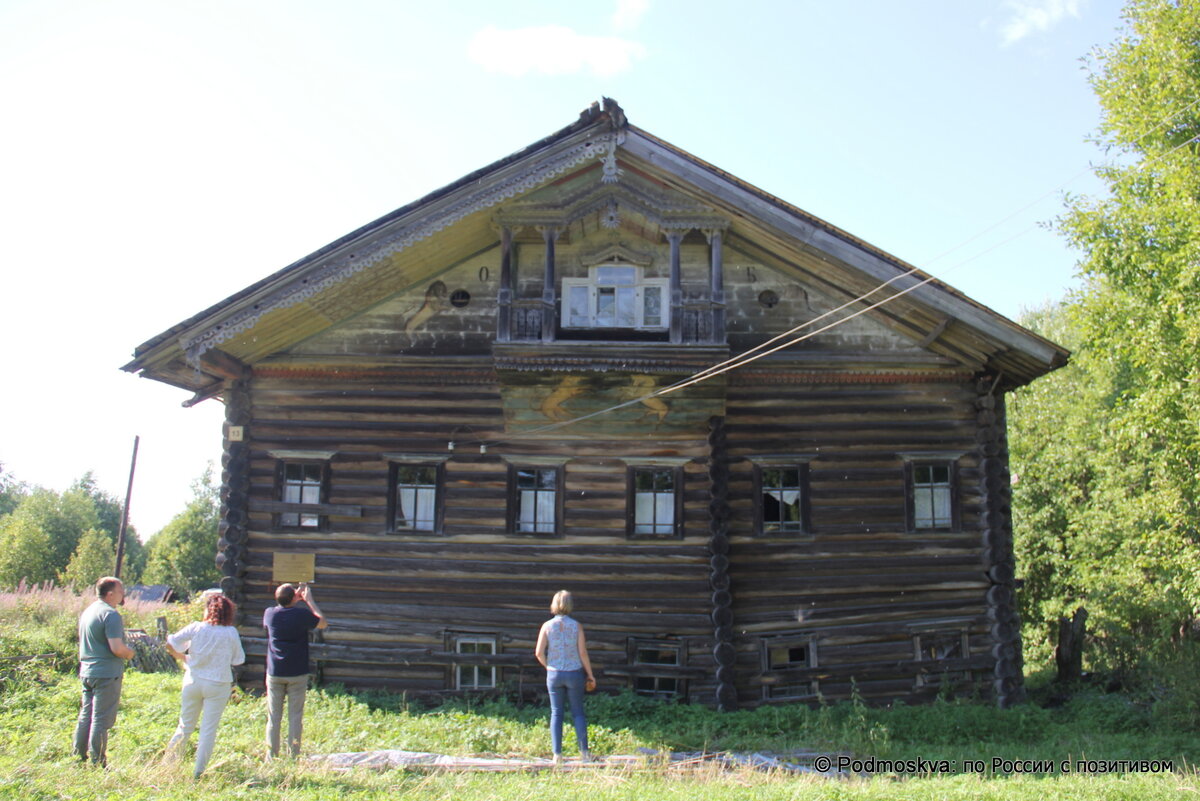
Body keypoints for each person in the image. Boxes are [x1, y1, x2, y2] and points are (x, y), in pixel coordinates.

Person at [164, 593, 246, 778]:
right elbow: (238, 659)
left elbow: (171, 642)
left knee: (185, 725)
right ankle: (198, 772)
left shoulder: (196, 628)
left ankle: (168, 765)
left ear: (208, 610)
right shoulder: (230, 632)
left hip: (193, 680)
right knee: (208, 730)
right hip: (218, 684)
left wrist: (183, 657)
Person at [74, 576, 135, 766]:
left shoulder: (89, 611)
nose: (123, 594)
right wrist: (129, 653)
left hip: (87, 671)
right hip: (106, 673)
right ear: (110, 594)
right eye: (120, 590)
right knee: (101, 719)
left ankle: (78, 756)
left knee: (86, 715)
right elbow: (116, 648)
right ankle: (98, 762)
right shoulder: (111, 614)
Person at [263, 582, 327, 758]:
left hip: (275, 672)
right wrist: (308, 600)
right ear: (294, 598)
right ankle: (293, 756)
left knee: (274, 717)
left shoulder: (269, 614)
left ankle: (271, 757)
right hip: (297, 671)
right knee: (295, 716)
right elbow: (322, 623)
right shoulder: (301, 614)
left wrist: (292, 597)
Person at [534, 590, 596, 764]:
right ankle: (584, 754)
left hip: (554, 674)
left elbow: (538, 652)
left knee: (556, 713)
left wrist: (549, 667)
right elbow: (582, 652)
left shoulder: (547, 626)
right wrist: (590, 674)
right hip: (574, 673)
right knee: (578, 713)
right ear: (570, 605)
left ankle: (557, 755)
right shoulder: (576, 626)